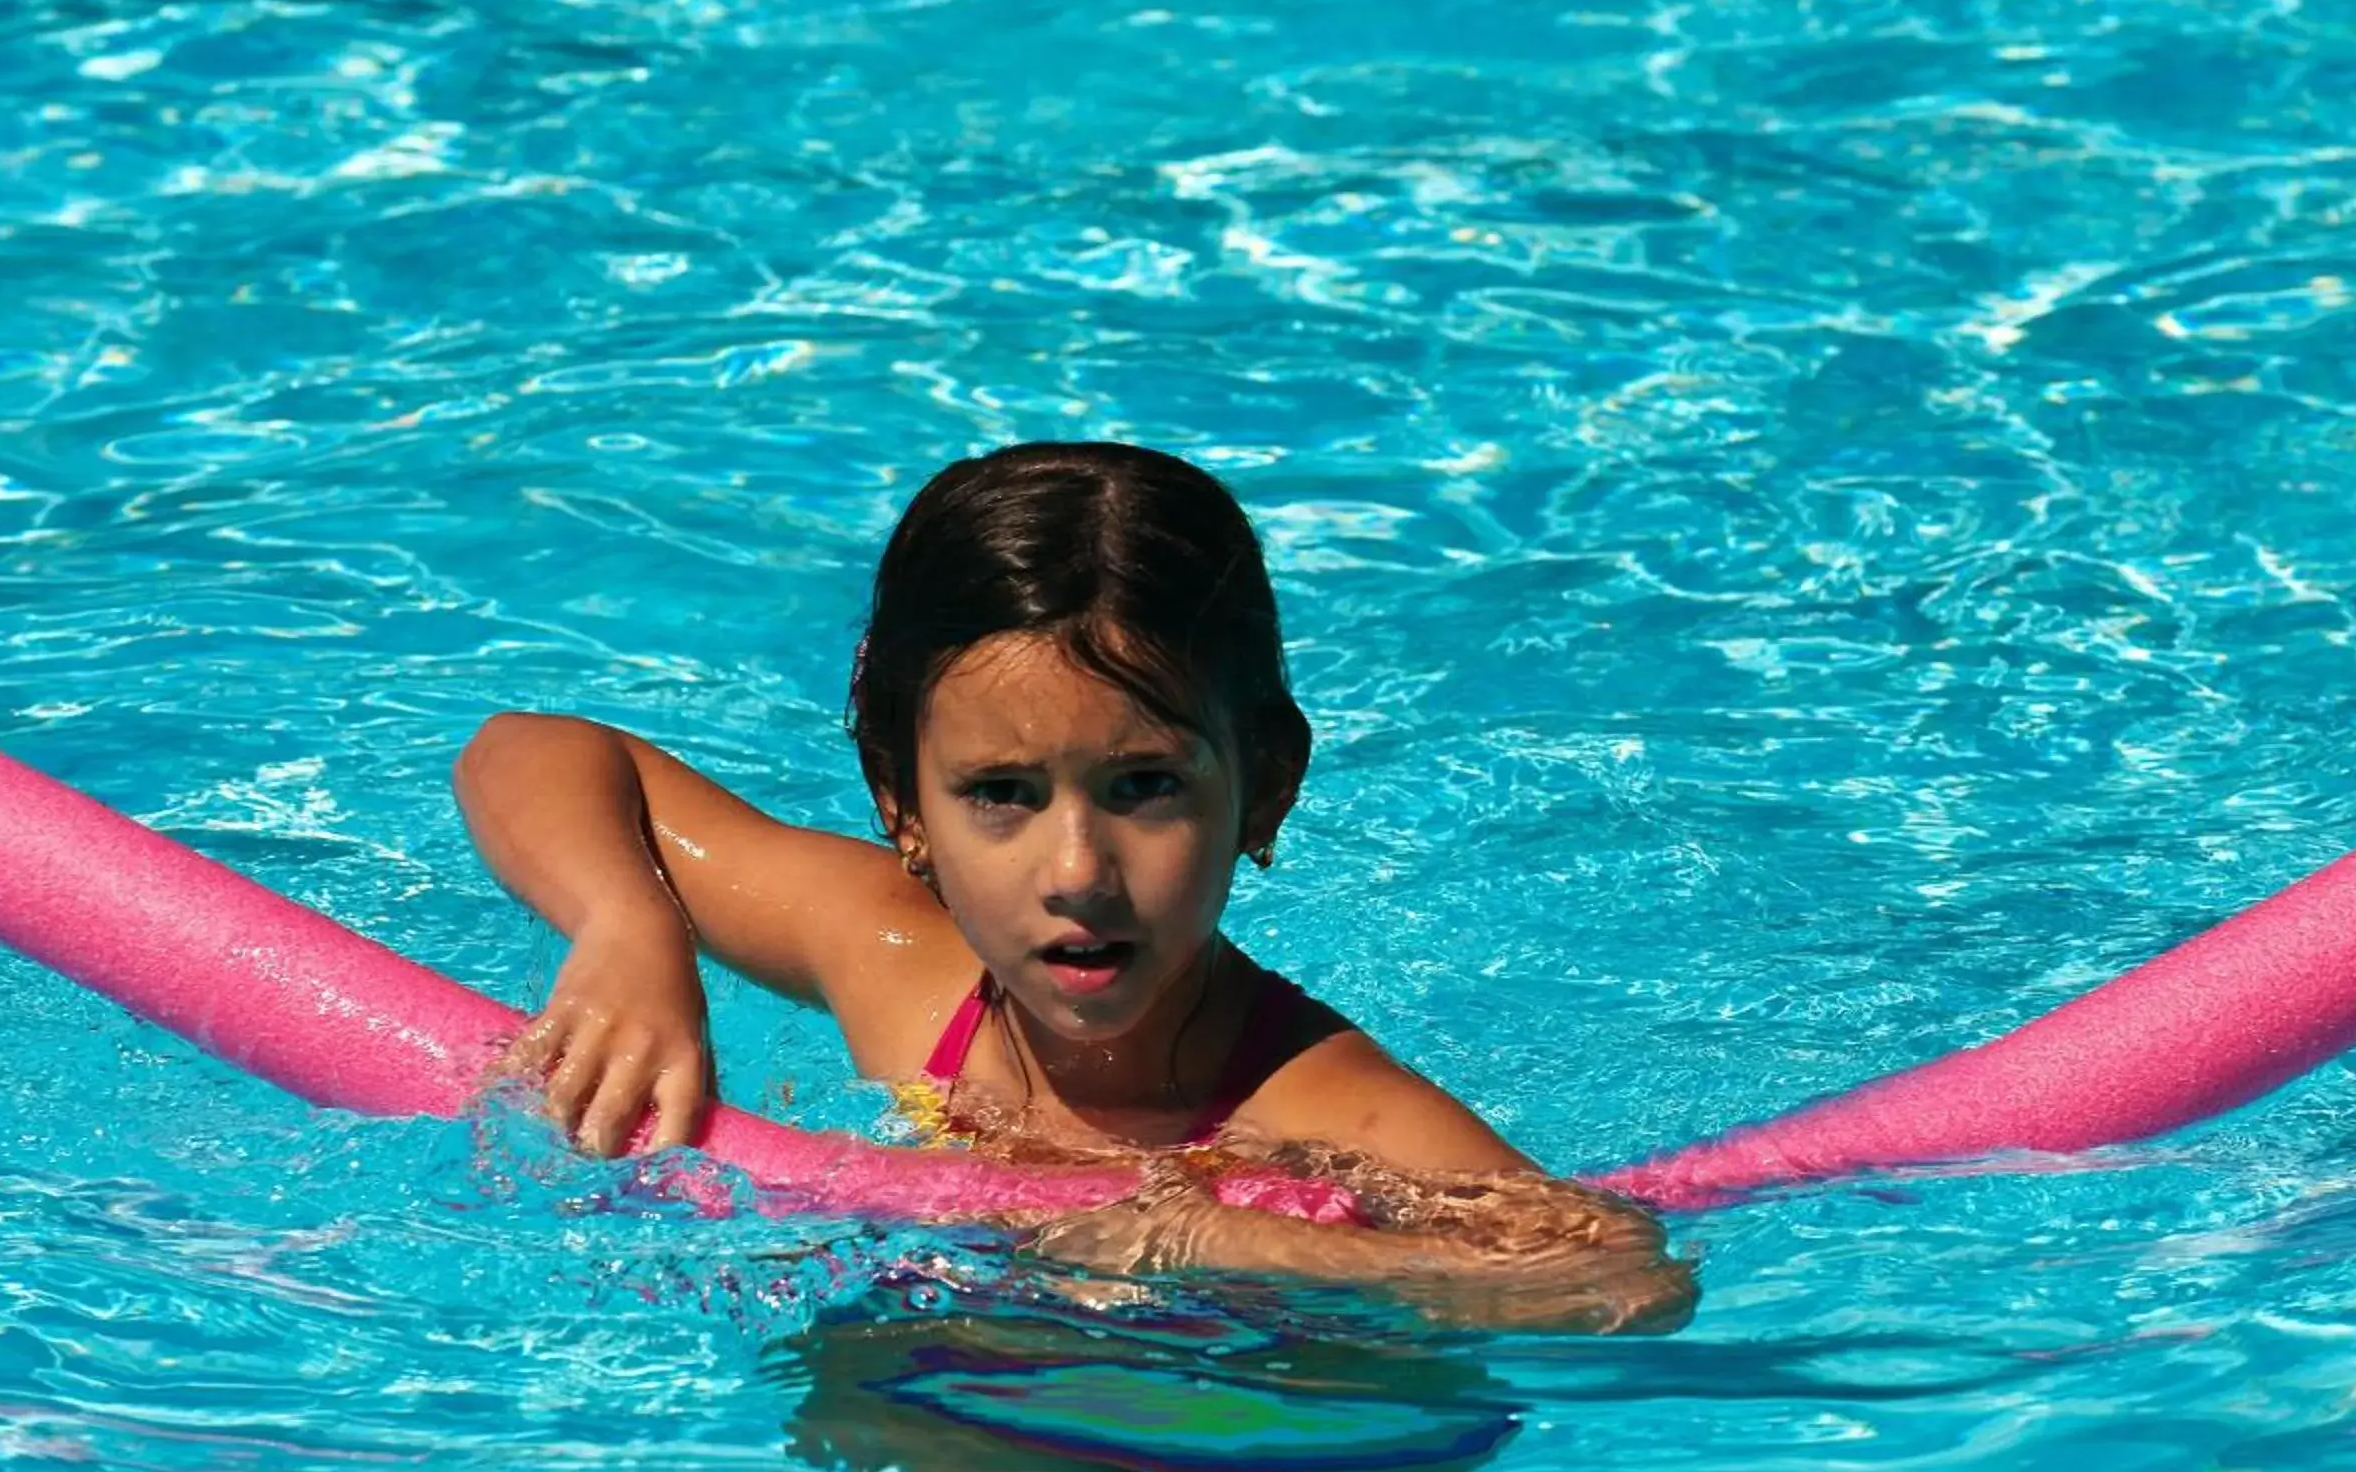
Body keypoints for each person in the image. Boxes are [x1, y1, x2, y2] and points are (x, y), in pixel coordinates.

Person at [455, 441, 1690, 1333]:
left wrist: (1242, 1239)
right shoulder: (895, 957)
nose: (1077, 871)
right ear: (901, 802)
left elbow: (1623, 1277)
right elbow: (531, 746)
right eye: (1000, 792)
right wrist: (631, 931)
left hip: (1269, 1402)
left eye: (1146, 786)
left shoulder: (1337, 1114)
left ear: (1263, 786)